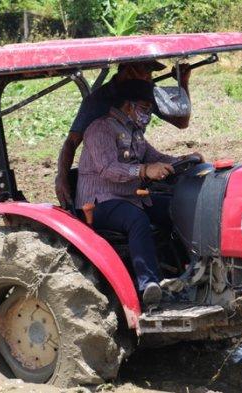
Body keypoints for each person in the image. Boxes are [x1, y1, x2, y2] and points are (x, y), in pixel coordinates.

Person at [75, 79, 202, 307]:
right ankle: (148, 285)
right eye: (145, 108)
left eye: (150, 109)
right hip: (99, 202)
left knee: (178, 207)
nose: (148, 114)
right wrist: (143, 170)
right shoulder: (99, 129)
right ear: (127, 106)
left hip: (131, 197)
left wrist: (186, 160)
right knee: (136, 220)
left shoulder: (134, 132)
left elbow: (155, 158)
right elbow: (107, 168)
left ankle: (191, 270)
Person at [55, 60, 192, 209]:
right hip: (105, 188)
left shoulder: (145, 93)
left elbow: (181, 122)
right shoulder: (97, 102)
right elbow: (72, 142)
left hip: (132, 180)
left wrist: (183, 83)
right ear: (129, 71)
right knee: (137, 221)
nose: (150, 79)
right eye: (147, 73)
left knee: (176, 205)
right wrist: (62, 177)